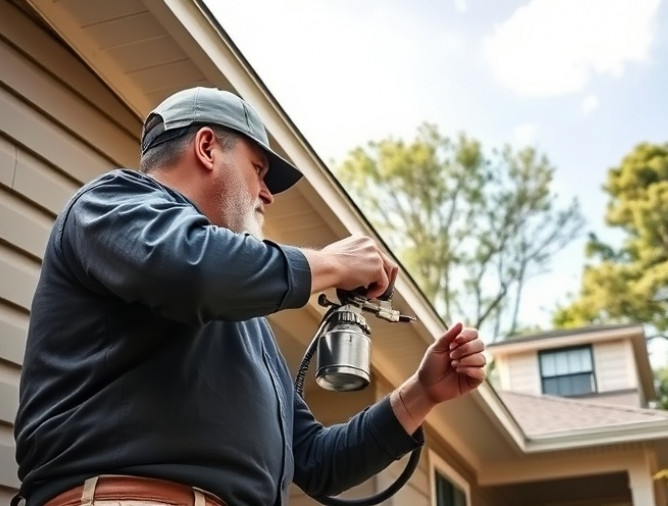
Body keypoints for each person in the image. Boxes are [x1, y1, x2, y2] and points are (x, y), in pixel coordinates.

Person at [13, 87, 487, 506]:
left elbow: (317, 462)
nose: (268, 194)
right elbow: (196, 271)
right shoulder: (114, 203)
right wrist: (334, 262)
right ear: (206, 148)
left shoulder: (246, 322)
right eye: (259, 169)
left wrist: (421, 394)